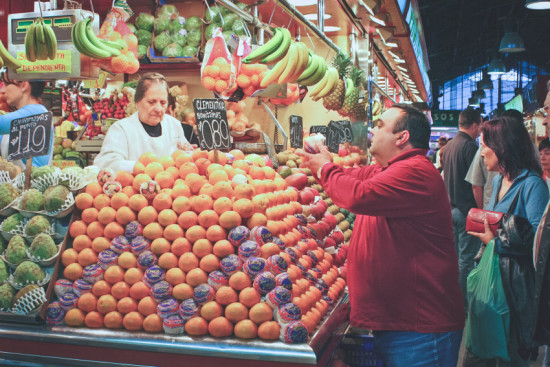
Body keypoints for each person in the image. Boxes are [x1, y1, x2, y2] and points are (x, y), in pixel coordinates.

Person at [297, 104, 464, 366]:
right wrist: (323, 159)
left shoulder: (415, 172)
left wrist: (324, 168)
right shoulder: (387, 169)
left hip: (419, 329)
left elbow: (356, 195)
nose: (373, 129)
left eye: (380, 125)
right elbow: (351, 178)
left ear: (402, 137)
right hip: (400, 324)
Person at [466, 116, 549, 366]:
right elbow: (494, 221)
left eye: (485, 145)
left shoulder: (533, 185)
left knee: (513, 352)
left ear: (502, 147)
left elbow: (539, 243)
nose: (481, 153)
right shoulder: (499, 180)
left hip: (517, 286)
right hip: (495, 277)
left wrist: (495, 241)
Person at [94, 72, 191, 172]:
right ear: (138, 102)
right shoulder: (121, 129)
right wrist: (140, 168)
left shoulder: (174, 125)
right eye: (151, 102)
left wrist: (188, 154)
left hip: (171, 186)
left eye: (163, 103)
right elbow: (106, 163)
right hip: (134, 185)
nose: (158, 109)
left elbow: (184, 158)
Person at [442, 108, 482, 305]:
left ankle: (452, 300)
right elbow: (476, 184)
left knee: (456, 258)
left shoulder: (449, 146)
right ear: (474, 125)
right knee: (466, 260)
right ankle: (462, 304)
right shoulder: (470, 147)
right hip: (468, 212)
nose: (480, 130)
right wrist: (482, 210)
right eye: (480, 126)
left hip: (451, 210)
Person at [0, 78, 51, 167]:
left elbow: (1, 124)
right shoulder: (18, 117)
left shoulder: (37, 112)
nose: (2, 90)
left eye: (6, 84)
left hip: (30, 179)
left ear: (23, 85)